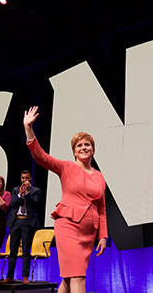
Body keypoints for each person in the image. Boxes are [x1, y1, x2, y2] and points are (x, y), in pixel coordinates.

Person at [23, 106, 107, 293]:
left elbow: (102, 208)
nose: (84, 148)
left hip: (88, 231)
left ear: (93, 149)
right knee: (78, 276)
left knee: (69, 278)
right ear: (74, 152)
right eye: (79, 145)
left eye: (87, 144)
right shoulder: (66, 167)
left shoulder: (100, 176)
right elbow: (41, 157)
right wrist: (29, 129)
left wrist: (103, 235)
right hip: (68, 225)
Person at [1, 170, 41, 284]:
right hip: (16, 222)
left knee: (26, 251)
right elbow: (12, 204)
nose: (25, 180)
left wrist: (27, 192)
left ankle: (25, 277)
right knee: (12, 251)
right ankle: (9, 276)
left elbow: (35, 204)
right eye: (23, 178)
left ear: (31, 179)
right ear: (21, 179)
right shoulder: (15, 190)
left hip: (28, 222)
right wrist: (20, 194)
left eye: (27, 178)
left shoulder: (36, 190)